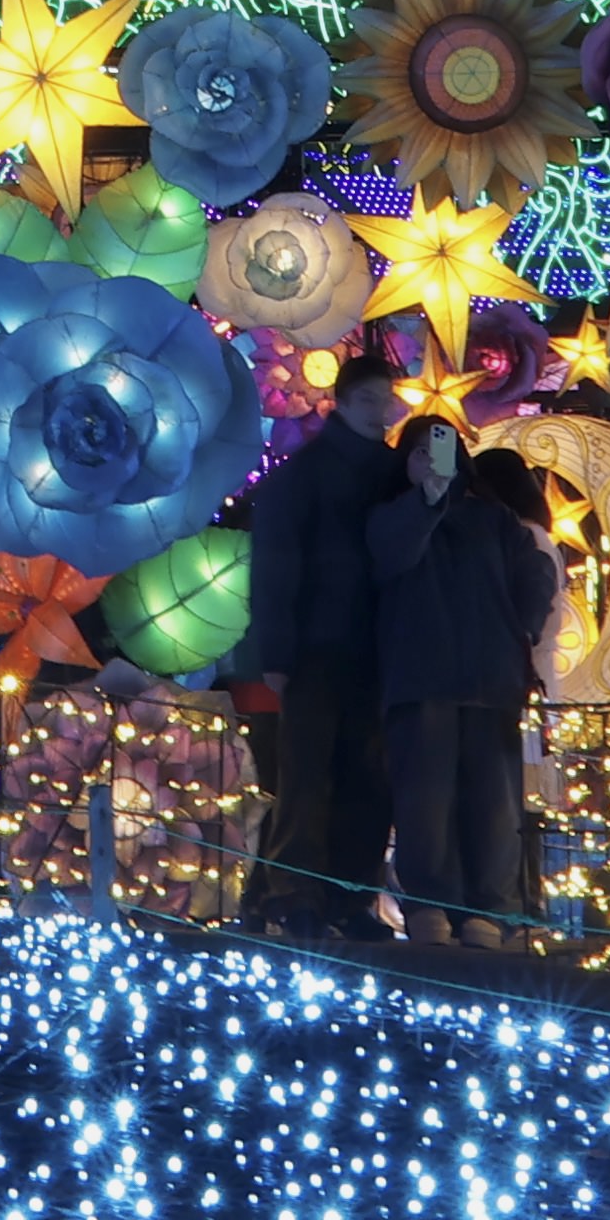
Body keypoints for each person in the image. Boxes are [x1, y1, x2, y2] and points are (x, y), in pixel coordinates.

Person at [223, 347, 411, 932]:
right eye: (368, 399)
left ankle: (347, 899)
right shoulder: (306, 474)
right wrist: (277, 651)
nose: (379, 411)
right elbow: (276, 565)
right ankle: (295, 894)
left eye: (386, 400)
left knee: (367, 779)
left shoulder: (395, 473)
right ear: (343, 403)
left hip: (376, 648)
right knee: (307, 774)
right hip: (315, 648)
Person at [370, 420, 559, 947]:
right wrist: (424, 501)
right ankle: (432, 905)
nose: (435, 460)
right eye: (421, 451)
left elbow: (535, 572)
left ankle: (488, 911)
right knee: (426, 802)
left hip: (489, 679)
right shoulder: (391, 515)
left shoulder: (495, 519)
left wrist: (523, 624)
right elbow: (391, 556)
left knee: (493, 803)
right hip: (423, 677)